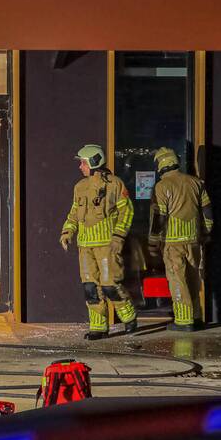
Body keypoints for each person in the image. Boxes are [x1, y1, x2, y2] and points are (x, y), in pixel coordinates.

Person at [60, 144, 138, 339]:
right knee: (90, 288)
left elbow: (127, 211)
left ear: (94, 162)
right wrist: (67, 231)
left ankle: (128, 317)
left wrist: (119, 236)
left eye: (83, 163)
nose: (80, 167)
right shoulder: (80, 187)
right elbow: (74, 213)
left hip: (107, 245)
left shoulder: (115, 184)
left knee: (110, 285)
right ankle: (98, 327)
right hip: (85, 246)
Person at [148, 146, 213, 331]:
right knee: (193, 279)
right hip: (193, 241)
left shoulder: (162, 186)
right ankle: (196, 316)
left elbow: (159, 217)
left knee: (177, 280)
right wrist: (206, 233)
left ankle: (184, 321)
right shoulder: (196, 182)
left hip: (173, 243)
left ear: (160, 164)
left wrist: (153, 241)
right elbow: (207, 212)